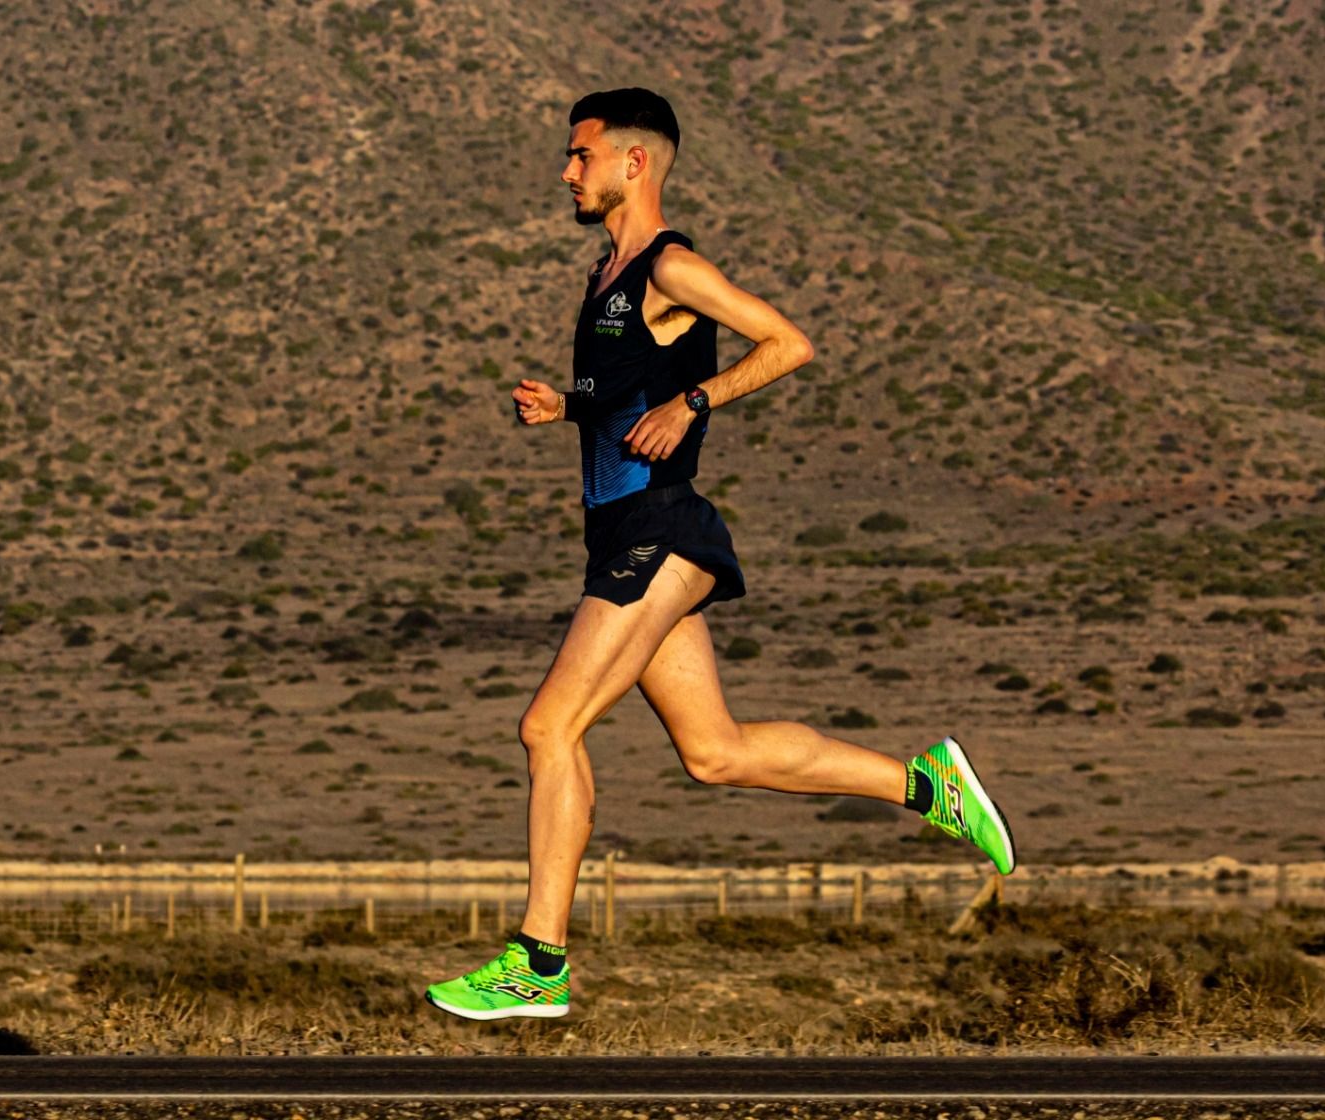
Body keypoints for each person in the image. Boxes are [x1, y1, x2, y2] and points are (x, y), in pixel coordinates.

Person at [425, 88, 1015, 1021]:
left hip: (660, 532)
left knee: (548, 729)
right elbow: (629, 394)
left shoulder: (670, 267)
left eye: (581, 156)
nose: (567, 171)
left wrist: (697, 403)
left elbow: (788, 343)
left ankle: (538, 961)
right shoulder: (605, 274)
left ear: (635, 163)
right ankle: (923, 783)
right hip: (626, 537)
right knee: (714, 754)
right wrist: (566, 410)